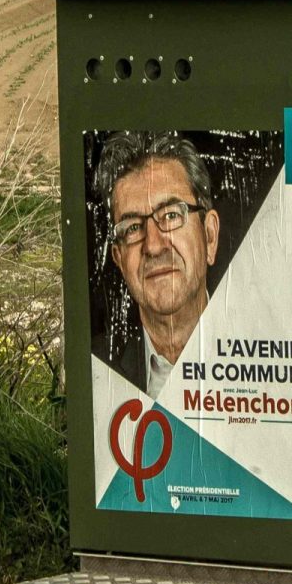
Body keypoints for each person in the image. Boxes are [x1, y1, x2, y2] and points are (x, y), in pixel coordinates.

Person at [91, 131, 221, 398]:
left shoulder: (269, 347)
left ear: (209, 236)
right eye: (133, 228)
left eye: (171, 215)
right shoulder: (96, 365)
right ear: (118, 258)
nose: (153, 245)